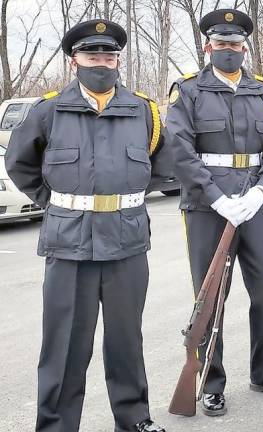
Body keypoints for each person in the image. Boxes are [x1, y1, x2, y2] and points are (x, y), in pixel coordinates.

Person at [5, 19, 166, 432]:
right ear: (73, 60)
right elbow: (20, 165)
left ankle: (134, 420)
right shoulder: (48, 110)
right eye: (92, 55)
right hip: (68, 245)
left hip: (127, 245)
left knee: (127, 341)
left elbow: (162, 167)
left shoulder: (143, 110)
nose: (101, 63)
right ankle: (57, 425)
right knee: (64, 346)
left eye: (109, 56)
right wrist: (62, 205)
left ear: (118, 60)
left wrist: (125, 201)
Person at [165, 8, 263, 416]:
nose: (229, 51)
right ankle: (210, 380)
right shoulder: (187, 92)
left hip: (254, 203)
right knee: (210, 295)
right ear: (208, 46)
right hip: (208, 207)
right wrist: (216, 197)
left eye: (236, 45)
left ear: (245, 48)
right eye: (221, 44)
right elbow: (181, 150)